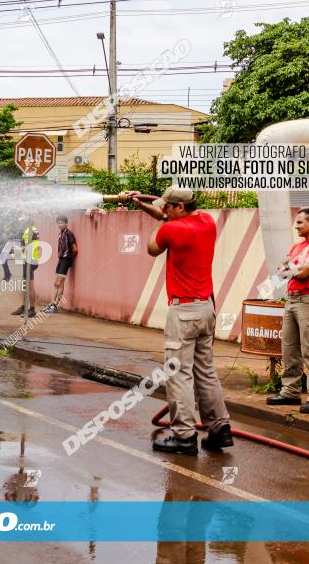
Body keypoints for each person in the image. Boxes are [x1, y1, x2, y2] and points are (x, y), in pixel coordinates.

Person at [127, 186, 232, 455]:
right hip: (206, 308)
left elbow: (153, 247)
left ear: (180, 208)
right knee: (205, 371)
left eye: (168, 206)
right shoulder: (207, 221)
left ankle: (184, 435)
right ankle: (220, 429)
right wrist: (142, 204)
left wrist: (159, 220)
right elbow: (166, 219)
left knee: (178, 373)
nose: (163, 210)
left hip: (183, 310)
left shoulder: (171, 230)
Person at [266, 208, 309, 413]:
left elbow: (304, 273)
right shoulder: (297, 247)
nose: (296, 227)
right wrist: (294, 266)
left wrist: (292, 267)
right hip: (292, 300)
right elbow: (281, 269)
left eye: (300, 223)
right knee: (289, 349)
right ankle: (290, 392)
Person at [44, 215, 77, 313]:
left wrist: (70, 260)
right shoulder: (61, 234)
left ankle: (54, 306)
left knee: (60, 283)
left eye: (62, 222)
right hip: (61, 260)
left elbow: (75, 249)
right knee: (56, 284)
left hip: (65, 260)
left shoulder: (69, 234)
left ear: (66, 223)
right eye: (58, 223)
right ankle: (51, 305)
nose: (60, 224)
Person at [11, 217, 40, 318]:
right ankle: (24, 307)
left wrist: (19, 249)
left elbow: (28, 246)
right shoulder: (35, 229)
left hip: (29, 261)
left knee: (29, 286)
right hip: (32, 259)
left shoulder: (29, 231)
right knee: (25, 284)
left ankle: (32, 309)